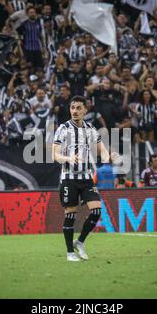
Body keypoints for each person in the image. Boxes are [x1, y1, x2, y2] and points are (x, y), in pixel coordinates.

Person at [53, 95, 122, 262]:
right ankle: (70, 252)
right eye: (72, 108)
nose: (75, 111)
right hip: (69, 178)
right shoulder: (63, 128)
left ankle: (80, 241)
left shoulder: (91, 129)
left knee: (96, 211)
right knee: (71, 215)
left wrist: (108, 156)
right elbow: (54, 154)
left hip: (86, 179)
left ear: (85, 110)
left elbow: (101, 150)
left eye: (78, 108)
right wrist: (69, 158)